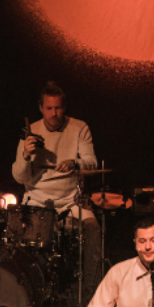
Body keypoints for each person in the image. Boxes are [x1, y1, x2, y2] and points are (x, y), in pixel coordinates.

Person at [13, 81, 101, 294]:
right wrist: (25, 155)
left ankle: (91, 290)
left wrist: (75, 163)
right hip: (38, 200)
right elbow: (19, 176)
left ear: (64, 107)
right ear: (41, 108)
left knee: (93, 230)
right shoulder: (31, 131)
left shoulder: (79, 127)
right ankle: (37, 292)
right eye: (49, 108)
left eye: (58, 108)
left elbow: (92, 162)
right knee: (33, 245)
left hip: (70, 201)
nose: (54, 113)